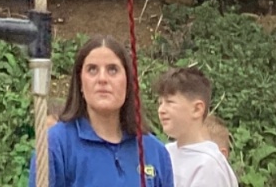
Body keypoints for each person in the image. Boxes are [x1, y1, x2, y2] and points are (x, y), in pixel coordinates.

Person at [30, 35, 175, 187]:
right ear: (80, 83)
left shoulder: (155, 152)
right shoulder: (56, 145)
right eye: (92, 70)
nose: (102, 79)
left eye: (112, 70)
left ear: (128, 82)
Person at [155, 67, 238, 187]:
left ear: (197, 109)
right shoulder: (165, 153)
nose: (161, 110)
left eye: (170, 102)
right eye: (160, 103)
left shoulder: (209, 165)